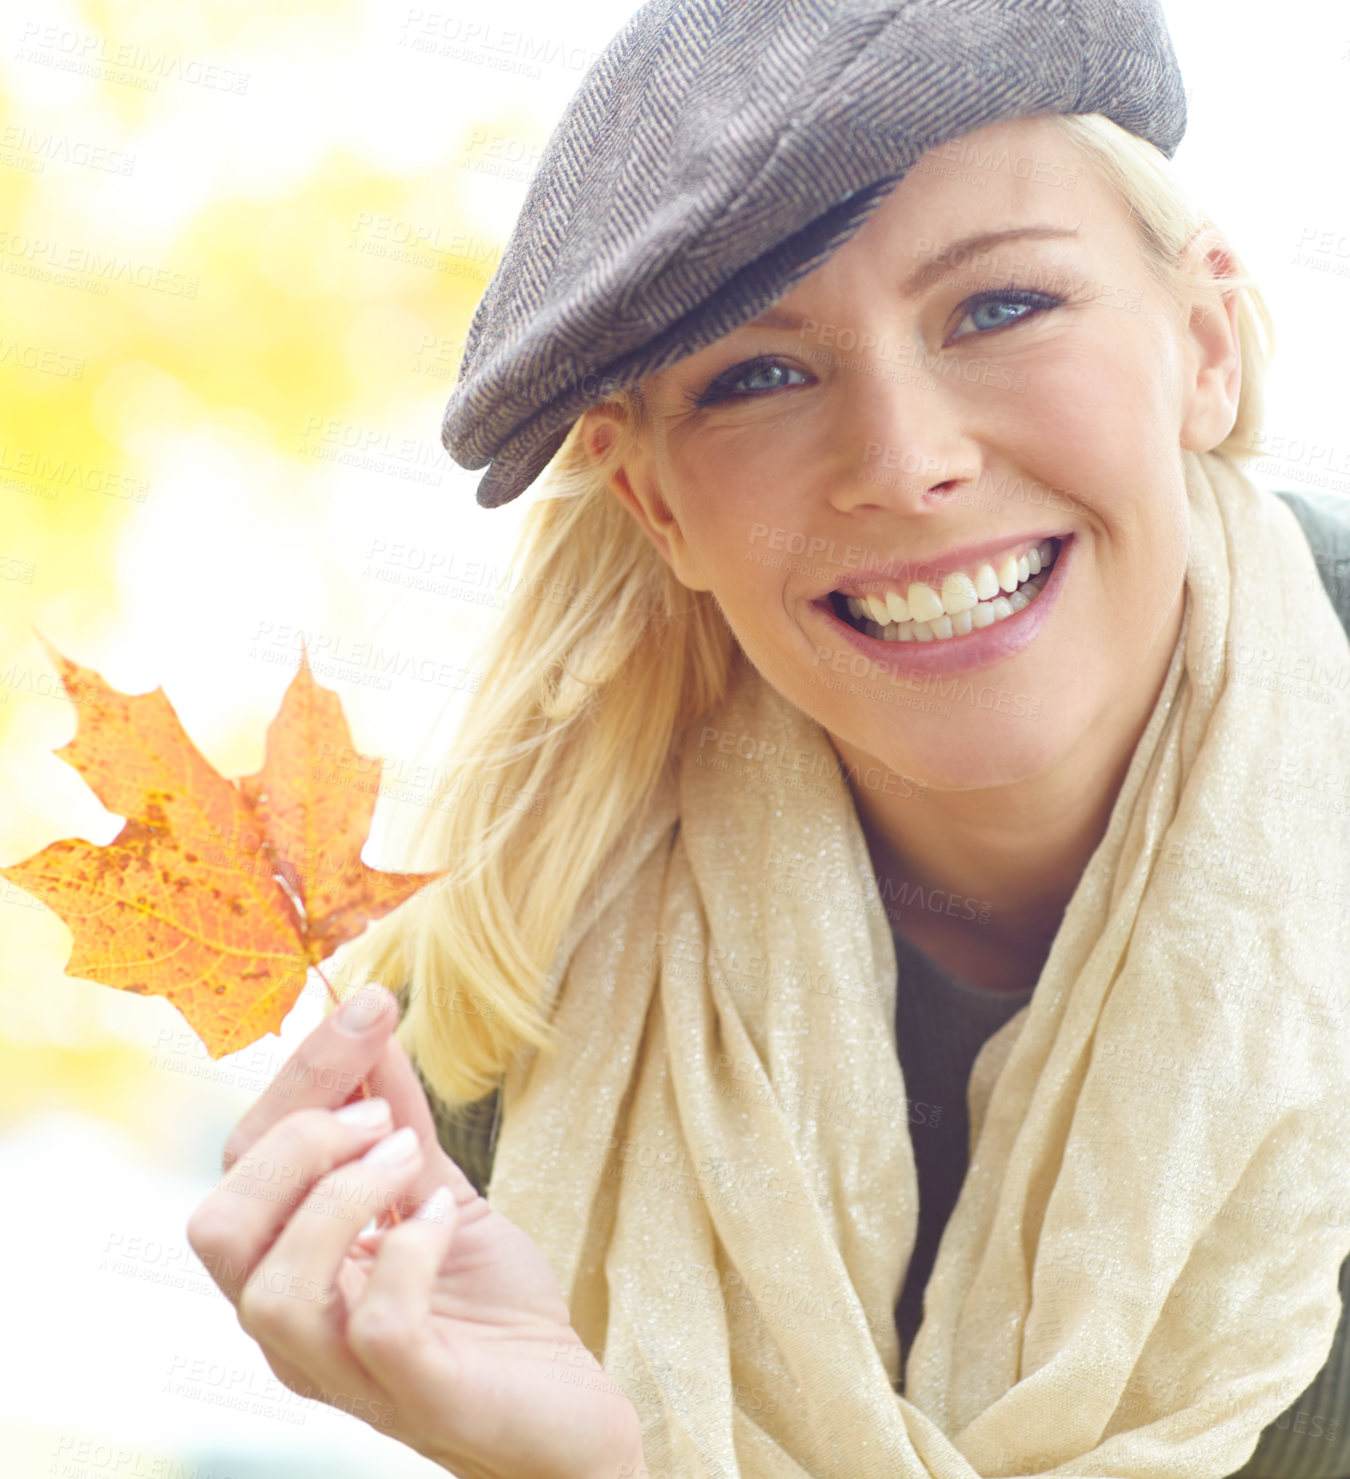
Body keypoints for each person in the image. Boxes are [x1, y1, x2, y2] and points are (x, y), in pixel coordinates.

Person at [187, 2, 1350, 1477]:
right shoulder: (507, 1062)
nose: (908, 461)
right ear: (656, 505)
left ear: (1200, 346)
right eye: (757, 377)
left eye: (998, 308)